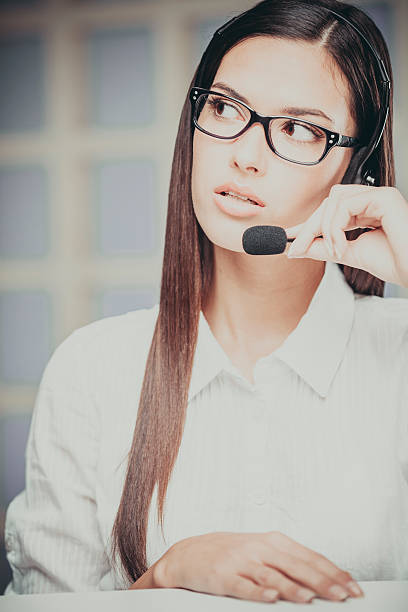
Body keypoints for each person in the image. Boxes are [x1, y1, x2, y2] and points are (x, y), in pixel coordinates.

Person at [3, 0, 408, 604]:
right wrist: (164, 578)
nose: (245, 154)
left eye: (299, 129)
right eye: (224, 108)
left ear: (357, 167)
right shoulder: (91, 370)